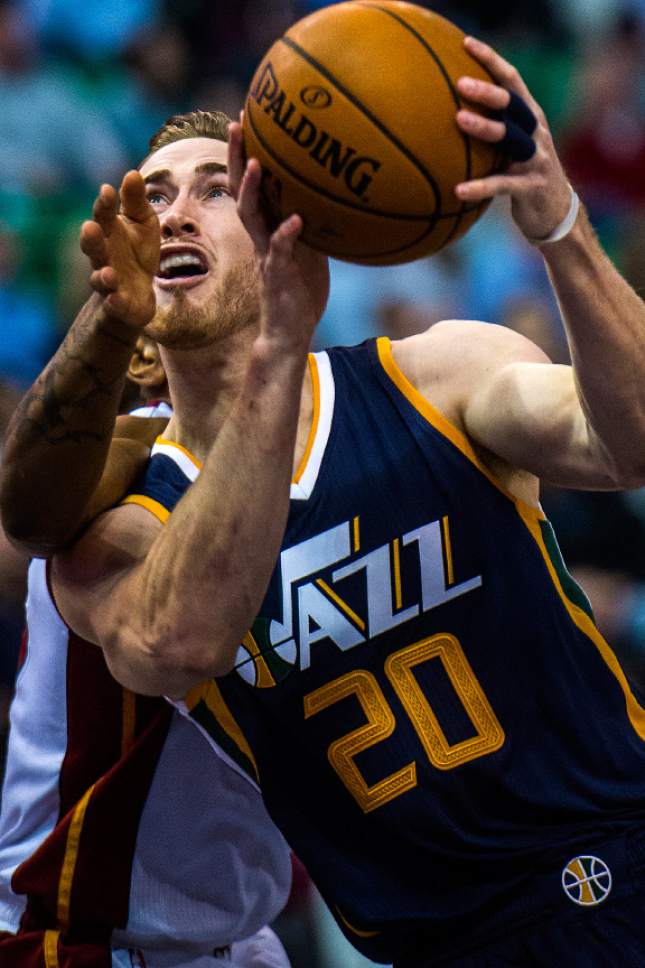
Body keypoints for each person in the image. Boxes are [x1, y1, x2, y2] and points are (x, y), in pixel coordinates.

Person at [3, 34, 645, 968]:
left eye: (216, 188)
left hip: (624, 862)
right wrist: (273, 353)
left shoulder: (438, 376)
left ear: (286, 211)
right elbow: (176, 641)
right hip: (436, 947)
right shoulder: (124, 516)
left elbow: (628, 443)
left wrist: (557, 225)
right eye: (152, 195)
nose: (175, 214)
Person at [0, 337, 292, 967]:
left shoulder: (325, 447)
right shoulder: (115, 469)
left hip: (242, 937)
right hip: (80, 938)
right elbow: (24, 512)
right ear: (143, 360)